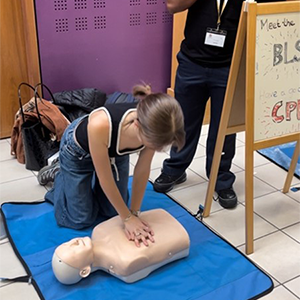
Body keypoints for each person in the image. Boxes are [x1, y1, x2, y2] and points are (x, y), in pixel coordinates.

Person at [154, 0, 284, 209]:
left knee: (224, 129)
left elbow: (271, 14)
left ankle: (220, 178)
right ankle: (175, 169)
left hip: (230, 66)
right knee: (183, 122)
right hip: (192, 62)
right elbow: (172, 5)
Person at [39, 85, 185, 247]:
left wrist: (134, 213)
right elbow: (105, 177)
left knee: (112, 212)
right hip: (78, 152)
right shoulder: (100, 124)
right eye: (151, 144)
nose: (153, 148)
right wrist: (127, 219)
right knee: (79, 219)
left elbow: (142, 170)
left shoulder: (157, 125)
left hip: (114, 153)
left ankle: (83, 187)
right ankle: (60, 173)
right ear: (137, 125)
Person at [52, 209, 190, 284]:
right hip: (179, 235)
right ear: (84, 271)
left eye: (66, 244)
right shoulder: (124, 263)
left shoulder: (99, 230)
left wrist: (132, 216)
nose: (73, 242)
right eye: (72, 251)